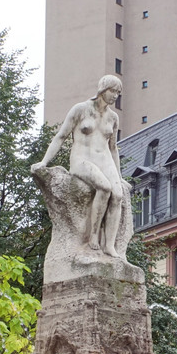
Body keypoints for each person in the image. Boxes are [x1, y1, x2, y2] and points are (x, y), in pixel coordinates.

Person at [32, 75, 125, 257]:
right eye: (112, 91)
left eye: (118, 93)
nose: (115, 96)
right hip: (82, 159)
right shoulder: (81, 110)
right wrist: (44, 162)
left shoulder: (113, 117)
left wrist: (119, 177)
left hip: (104, 159)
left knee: (118, 194)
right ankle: (94, 235)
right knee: (104, 187)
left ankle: (110, 245)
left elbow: (113, 149)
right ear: (102, 90)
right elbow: (61, 136)